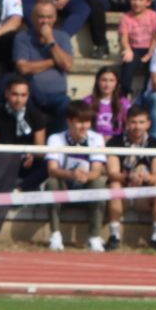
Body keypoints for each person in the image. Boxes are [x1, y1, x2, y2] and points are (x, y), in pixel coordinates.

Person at [43, 100, 109, 252]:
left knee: (99, 184)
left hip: (86, 184)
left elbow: (97, 170)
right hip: (64, 184)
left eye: (87, 122)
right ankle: (55, 234)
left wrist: (86, 176)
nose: (84, 126)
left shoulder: (96, 138)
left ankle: (94, 237)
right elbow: (52, 169)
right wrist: (71, 174)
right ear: (69, 121)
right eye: (79, 122)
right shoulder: (55, 139)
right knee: (51, 183)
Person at [106, 105, 156, 248]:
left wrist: (147, 178)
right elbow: (112, 172)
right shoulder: (114, 142)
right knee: (114, 185)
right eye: (133, 122)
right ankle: (114, 236)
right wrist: (128, 177)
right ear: (126, 122)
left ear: (148, 124)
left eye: (141, 122)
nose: (137, 127)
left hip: (145, 196)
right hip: (123, 194)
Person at [12, 0, 75, 131]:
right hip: (31, 95)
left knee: (67, 106)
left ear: (55, 18)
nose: (45, 21)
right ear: (33, 17)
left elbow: (67, 65)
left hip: (58, 95)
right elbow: (23, 68)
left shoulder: (62, 37)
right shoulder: (22, 37)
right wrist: (54, 61)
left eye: (49, 17)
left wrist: (51, 40)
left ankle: (57, 146)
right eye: (41, 17)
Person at [0, 79, 45, 190]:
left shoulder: (37, 115)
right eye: (15, 94)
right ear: (7, 94)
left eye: (23, 95)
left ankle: (20, 190)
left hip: (27, 163)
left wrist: (31, 155)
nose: (19, 100)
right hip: (2, 161)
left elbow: (40, 151)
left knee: (47, 165)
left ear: (28, 95)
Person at [116, 0, 156, 96]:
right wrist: (127, 49)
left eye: (141, 0)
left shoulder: (153, 16)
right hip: (134, 48)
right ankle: (125, 91)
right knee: (128, 63)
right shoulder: (126, 17)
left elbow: (155, 37)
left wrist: (150, 53)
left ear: (148, 2)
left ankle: (147, 91)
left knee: (154, 65)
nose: (137, 3)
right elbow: (124, 37)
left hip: (149, 48)